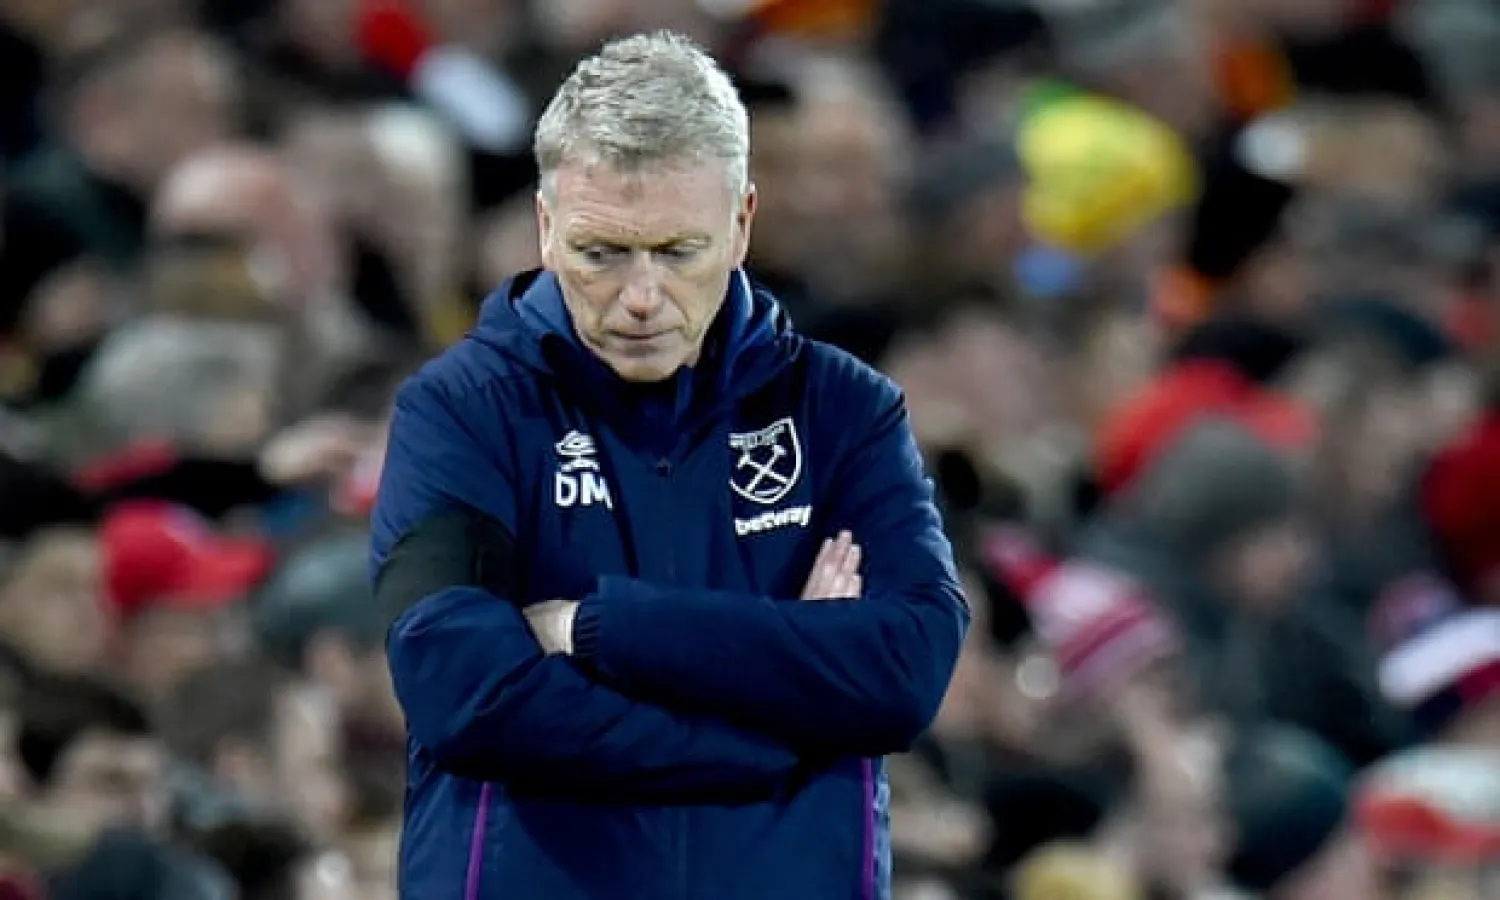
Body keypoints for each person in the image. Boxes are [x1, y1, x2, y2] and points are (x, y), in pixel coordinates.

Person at [369, 30, 969, 900]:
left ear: (742, 225)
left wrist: (599, 630)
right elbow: (462, 690)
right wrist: (774, 720)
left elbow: (905, 671)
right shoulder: (461, 411)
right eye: (602, 254)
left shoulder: (845, 411)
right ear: (546, 227)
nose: (642, 298)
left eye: (680, 252)